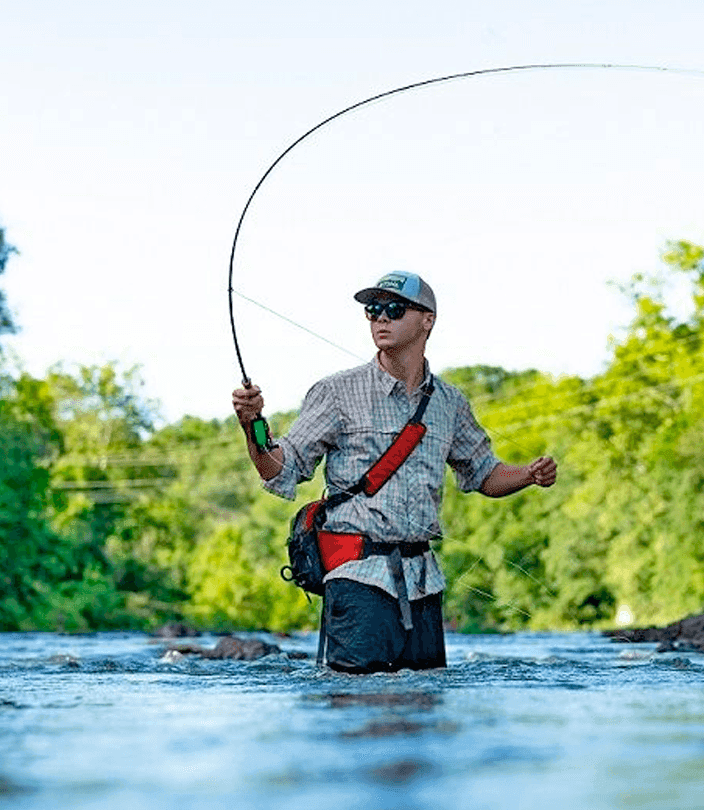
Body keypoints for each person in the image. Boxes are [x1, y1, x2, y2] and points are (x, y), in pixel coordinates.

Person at [231, 270, 557, 673]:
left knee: (424, 717)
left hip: (424, 585)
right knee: (360, 714)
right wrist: (253, 425)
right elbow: (280, 469)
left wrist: (528, 474)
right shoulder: (336, 392)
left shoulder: (449, 403)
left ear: (427, 320)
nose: (380, 318)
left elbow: (484, 475)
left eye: (393, 309)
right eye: (373, 310)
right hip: (357, 580)